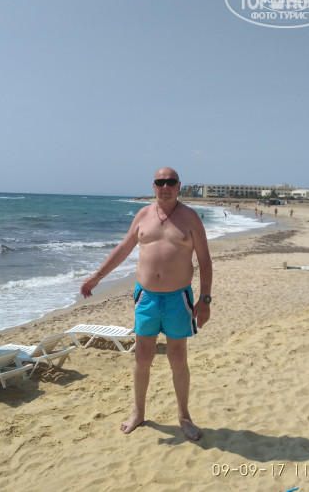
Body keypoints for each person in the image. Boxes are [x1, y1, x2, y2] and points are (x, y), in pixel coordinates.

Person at [80, 167, 212, 441]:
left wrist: (205, 299)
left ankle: (184, 417)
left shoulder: (190, 217)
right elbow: (123, 249)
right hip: (147, 297)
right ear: (153, 186)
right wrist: (97, 276)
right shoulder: (143, 216)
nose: (165, 186)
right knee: (142, 357)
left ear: (179, 186)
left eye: (170, 182)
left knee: (178, 357)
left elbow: (205, 259)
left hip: (178, 298)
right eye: (160, 182)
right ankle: (138, 412)